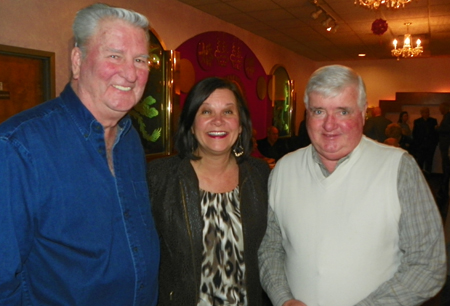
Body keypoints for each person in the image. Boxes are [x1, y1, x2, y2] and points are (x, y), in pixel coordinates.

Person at [0, 4, 160, 305]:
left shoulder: (130, 140)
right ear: (77, 60)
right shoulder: (17, 147)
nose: (130, 73)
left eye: (140, 60)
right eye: (115, 55)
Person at [258, 65, 446, 306]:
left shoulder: (398, 168)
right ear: (306, 114)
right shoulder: (283, 170)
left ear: (362, 113)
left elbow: (427, 265)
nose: (329, 125)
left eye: (343, 112)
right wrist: (284, 299)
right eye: (318, 111)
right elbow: (270, 248)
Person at [147, 77, 272, 305]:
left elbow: (271, 250)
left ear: (241, 124)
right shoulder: (159, 178)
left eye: (228, 112)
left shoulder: (260, 176)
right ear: (191, 125)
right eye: (206, 112)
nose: (218, 121)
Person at [412, 106, 438, 174]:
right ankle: (420, 175)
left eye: (428, 112)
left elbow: (435, 133)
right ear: (422, 113)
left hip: (430, 144)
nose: (427, 114)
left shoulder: (433, 121)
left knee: (429, 161)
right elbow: (415, 133)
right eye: (425, 112)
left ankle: (428, 175)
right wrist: (417, 144)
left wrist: (435, 143)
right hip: (421, 145)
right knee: (420, 160)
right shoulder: (417, 121)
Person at [437, 102, 450, 194]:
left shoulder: (448, 117)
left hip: (446, 144)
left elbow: (446, 129)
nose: (440, 110)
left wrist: (438, 128)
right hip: (445, 144)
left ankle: (445, 182)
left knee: (446, 164)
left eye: (441, 108)